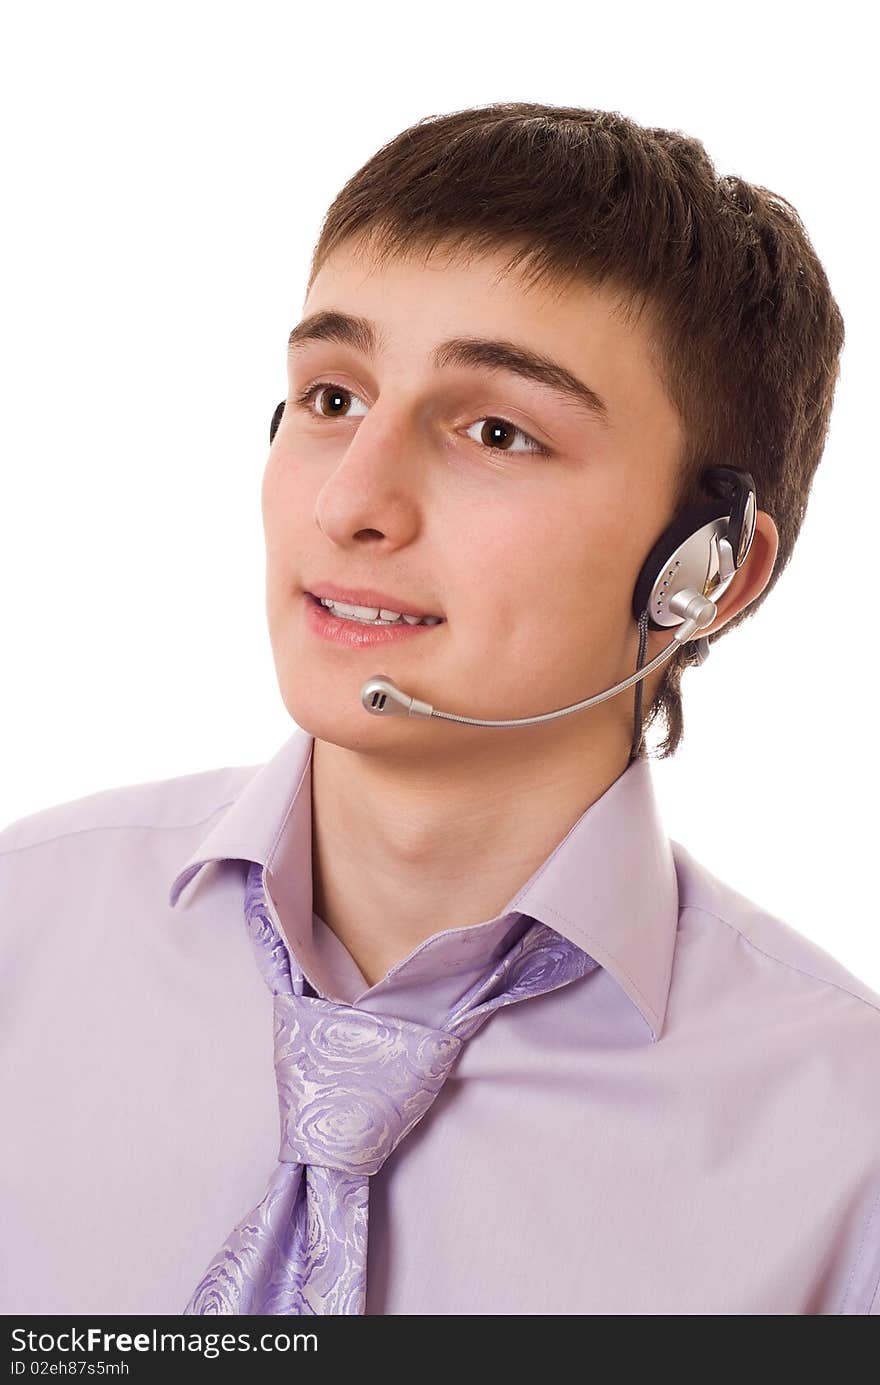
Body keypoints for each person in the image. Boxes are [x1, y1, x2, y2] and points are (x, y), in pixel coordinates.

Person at [1, 101, 877, 1318]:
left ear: (705, 573)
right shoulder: (19, 930)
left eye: (497, 430)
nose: (351, 502)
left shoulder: (848, 1146)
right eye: (331, 398)